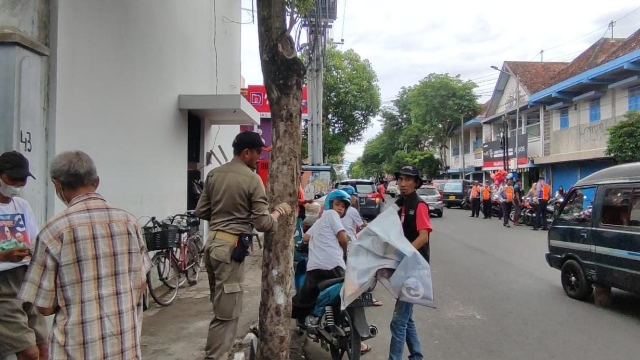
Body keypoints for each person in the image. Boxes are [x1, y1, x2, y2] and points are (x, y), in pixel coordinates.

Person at [19, 150, 149, 360]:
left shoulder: (53, 231)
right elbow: (141, 284)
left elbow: (44, 307)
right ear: (96, 182)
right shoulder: (129, 222)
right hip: (125, 346)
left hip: (76, 349)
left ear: (57, 185)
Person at [196, 131, 292, 359]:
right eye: (258, 152)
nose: (259, 157)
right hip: (229, 250)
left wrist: (226, 214)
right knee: (227, 315)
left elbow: (202, 211)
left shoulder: (214, 174)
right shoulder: (252, 179)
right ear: (246, 152)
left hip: (212, 246)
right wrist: (278, 212)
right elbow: (263, 223)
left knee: (221, 307)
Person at [0, 151, 48, 360]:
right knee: (29, 352)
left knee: (44, 345)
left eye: (23, 180)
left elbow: (35, 241)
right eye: (13, 179)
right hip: (3, 286)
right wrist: (3, 256)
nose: (18, 184)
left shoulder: (22, 205)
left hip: (26, 279)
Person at [390, 164, 432, 360]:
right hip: (404, 265)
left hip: (414, 268)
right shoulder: (400, 204)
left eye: (408, 180)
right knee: (407, 318)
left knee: (398, 321)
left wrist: (406, 252)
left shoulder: (419, 205)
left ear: (416, 183)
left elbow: (423, 237)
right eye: (400, 179)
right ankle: (416, 355)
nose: (403, 183)